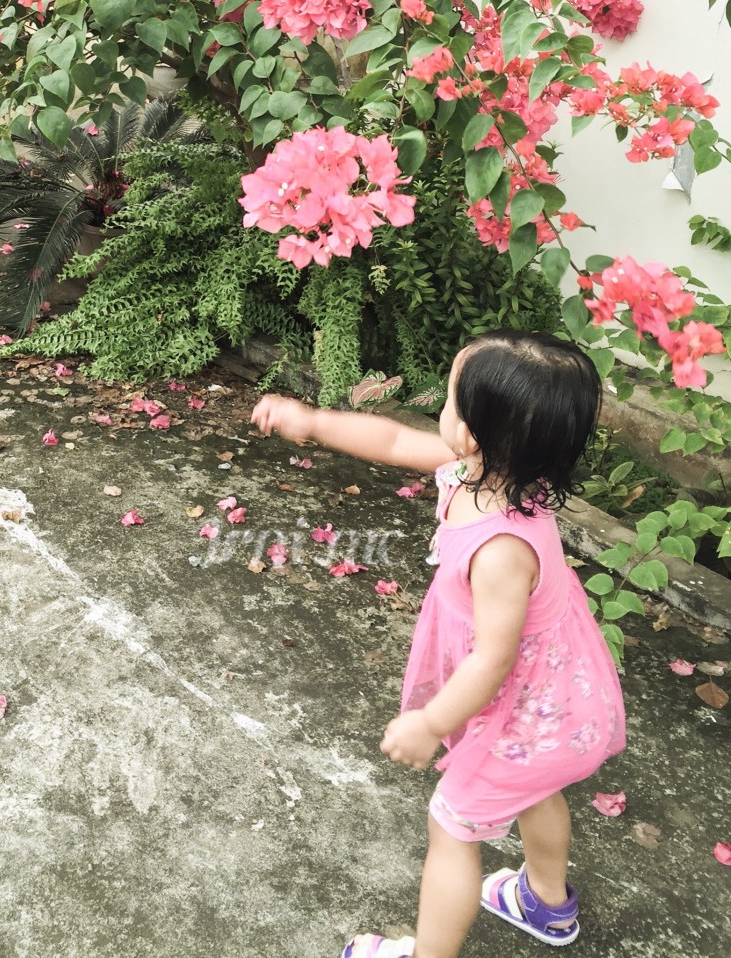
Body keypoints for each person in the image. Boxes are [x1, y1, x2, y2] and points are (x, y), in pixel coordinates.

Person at [250, 331, 626, 958]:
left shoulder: (502, 547)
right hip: (554, 703)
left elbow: (494, 658)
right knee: (537, 791)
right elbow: (394, 440)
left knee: (451, 827)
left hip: (521, 710)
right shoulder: (487, 472)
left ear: (473, 432)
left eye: (450, 402)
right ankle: (547, 903)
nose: (440, 415)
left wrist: (432, 721)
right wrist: (311, 421)